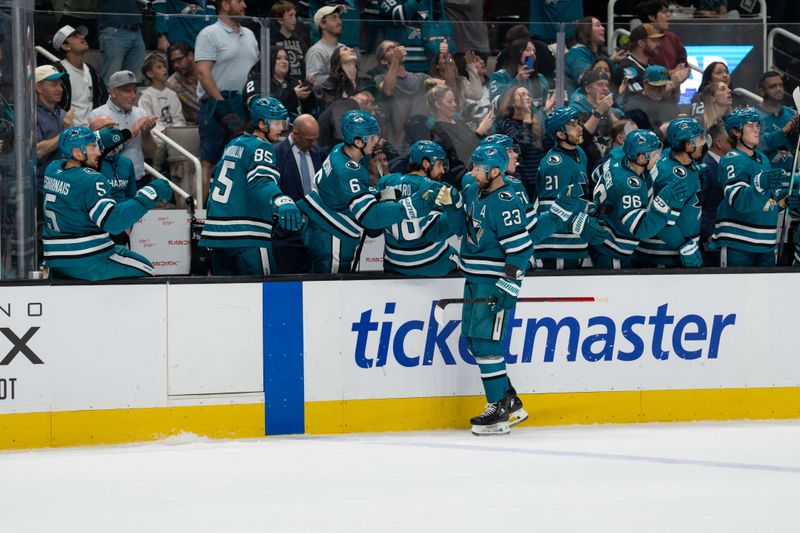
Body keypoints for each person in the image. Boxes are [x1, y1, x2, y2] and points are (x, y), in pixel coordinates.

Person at [296, 110, 440, 273]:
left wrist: (378, 196)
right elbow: (370, 216)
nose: (377, 141)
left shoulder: (340, 149)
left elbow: (345, 193)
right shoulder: (349, 171)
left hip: (319, 228)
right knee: (332, 291)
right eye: (372, 137)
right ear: (358, 142)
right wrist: (409, 206)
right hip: (331, 236)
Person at [456, 144, 531, 435]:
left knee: (487, 344)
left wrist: (510, 284)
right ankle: (510, 400)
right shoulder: (474, 189)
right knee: (474, 341)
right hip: (473, 281)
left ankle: (498, 408)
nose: (472, 173)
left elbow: (520, 250)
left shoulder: (506, 201)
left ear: (495, 172)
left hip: (492, 283)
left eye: (478, 169)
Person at [41, 126, 172, 280]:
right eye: (93, 147)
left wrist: (99, 138)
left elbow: (81, 165)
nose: (98, 152)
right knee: (146, 268)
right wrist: (150, 192)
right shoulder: (91, 179)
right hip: (87, 259)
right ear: (77, 153)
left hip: (56, 260)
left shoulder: (53, 168)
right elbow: (114, 223)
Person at [198, 97, 303, 276]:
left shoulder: (233, 143)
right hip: (247, 235)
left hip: (217, 235)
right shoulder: (262, 147)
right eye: (277, 123)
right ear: (262, 124)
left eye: (283, 122)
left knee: (226, 299)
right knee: (263, 295)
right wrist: (281, 199)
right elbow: (260, 182)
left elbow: (215, 178)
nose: (281, 128)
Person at [590, 129, 687, 269]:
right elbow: (642, 229)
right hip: (613, 248)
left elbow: (595, 174)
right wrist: (663, 202)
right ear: (641, 158)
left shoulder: (618, 155)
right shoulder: (631, 186)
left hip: (604, 231)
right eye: (654, 155)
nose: (658, 157)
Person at [195, 0, 259, 200]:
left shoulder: (249, 34)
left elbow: (256, 72)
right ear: (224, 4)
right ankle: (199, 212)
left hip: (243, 103)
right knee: (209, 159)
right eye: (238, 1)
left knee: (243, 159)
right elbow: (202, 72)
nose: (245, 5)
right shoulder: (209, 33)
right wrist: (221, 103)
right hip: (215, 105)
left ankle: (237, 207)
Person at [709, 108, 785, 267]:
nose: (757, 129)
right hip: (738, 241)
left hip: (767, 241)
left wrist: (783, 199)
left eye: (757, 125)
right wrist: (759, 184)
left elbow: (769, 198)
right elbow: (739, 202)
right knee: (735, 291)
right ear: (736, 131)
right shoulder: (731, 159)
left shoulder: (763, 158)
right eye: (751, 126)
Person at [376, 140, 461, 276]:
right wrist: (457, 211)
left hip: (393, 265)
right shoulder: (432, 187)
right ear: (426, 163)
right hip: (432, 265)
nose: (442, 170)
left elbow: (372, 228)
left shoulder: (385, 182)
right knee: (459, 258)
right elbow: (436, 233)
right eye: (439, 164)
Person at [635, 118, 706, 268]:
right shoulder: (675, 176)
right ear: (687, 145)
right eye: (699, 138)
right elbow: (664, 223)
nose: (703, 142)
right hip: (665, 254)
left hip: (663, 251)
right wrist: (684, 246)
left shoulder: (669, 155)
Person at [534, 107, 592, 270]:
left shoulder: (579, 153)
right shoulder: (555, 164)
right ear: (560, 134)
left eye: (579, 123)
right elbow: (552, 211)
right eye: (573, 125)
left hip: (575, 241)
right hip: (557, 245)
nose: (580, 128)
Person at [272, 114, 324, 273]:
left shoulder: (319, 154)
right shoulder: (275, 153)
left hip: (314, 235)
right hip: (285, 236)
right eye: (309, 139)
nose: (313, 143)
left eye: (316, 138)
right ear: (295, 134)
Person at [88, 70, 158, 185]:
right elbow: (103, 153)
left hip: (138, 179)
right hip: (111, 181)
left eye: (134, 91)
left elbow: (151, 153)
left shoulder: (140, 113)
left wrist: (146, 133)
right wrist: (132, 132)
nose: (133, 96)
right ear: (113, 92)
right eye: (127, 91)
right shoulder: (98, 116)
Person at [374, 40, 437, 156]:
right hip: (397, 148)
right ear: (383, 60)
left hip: (423, 144)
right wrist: (395, 61)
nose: (396, 49)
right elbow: (387, 90)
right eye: (390, 49)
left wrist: (447, 64)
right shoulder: (380, 79)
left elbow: (447, 86)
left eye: (397, 46)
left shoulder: (421, 77)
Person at [429, 84, 494, 185]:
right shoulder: (437, 129)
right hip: (460, 179)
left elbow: (475, 144)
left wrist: (485, 131)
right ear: (438, 104)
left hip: (477, 171)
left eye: (454, 100)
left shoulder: (459, 122)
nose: (454, 104)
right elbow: (459, 153)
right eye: (450, 101)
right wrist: (479, 131)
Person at [88, 116, 137, 246]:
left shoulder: (127, 163)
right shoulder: (89, 164)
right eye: (109, 127)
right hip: (95, 228)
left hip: (121, 225)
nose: (115, 129)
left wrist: (128, 221)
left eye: (115, 125)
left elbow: (131, 195)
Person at [495, 85, 547, 200]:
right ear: (512, 102)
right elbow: (520, 147)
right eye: (522, 95)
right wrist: (527, 117)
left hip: (538, 180)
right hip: (520, 182)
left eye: (528, 95)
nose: (528, 97)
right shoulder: (505, 123)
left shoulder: (536, 123)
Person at [52, 24, 107, 126]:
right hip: (70, 131)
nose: (82, 37)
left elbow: (102, 98)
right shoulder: (57, 71)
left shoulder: (92, 71)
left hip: (93, 130)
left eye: (81, 35)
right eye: (75, 36)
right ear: (65, 46)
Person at [139, 54, 187, 170]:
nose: (164, 69)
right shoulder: (146, 96)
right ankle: (155, 169)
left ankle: (179, 170)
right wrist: (164, 132)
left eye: (164, 67)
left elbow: (178, 118)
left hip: (173, 133)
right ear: (150, 74)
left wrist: (173, 131)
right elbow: (147, 120)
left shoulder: (172, 94)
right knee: (160, 143)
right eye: (159, 67)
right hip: (157, 134)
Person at [489, 38, 551, 113]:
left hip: (535, 123)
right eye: (527, 50)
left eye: (534, 51)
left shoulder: (540, 79)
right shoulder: (499, 76)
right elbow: (496, 105)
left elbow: (542, 109)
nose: (532, 53)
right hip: (508, 123)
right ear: (516, 53)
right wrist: (517, 80)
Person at [36, 65, 73, 187]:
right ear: (39, 87)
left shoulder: (62, 113)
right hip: (41, 185)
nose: (60, 89)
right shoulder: (29, 115)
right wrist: (66, 131)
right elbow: (37, 151)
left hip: (63, 181)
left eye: (60, 84)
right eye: (54, 85)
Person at [699, 122, 730, 266]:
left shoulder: (722, 164)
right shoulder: (707, 167)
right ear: (719, 143)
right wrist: (708, 234)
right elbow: (701, 205)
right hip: (711, 238)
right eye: (730, 138)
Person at [756, 71, 800, 173]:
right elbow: (757, 145)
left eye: (781, 85)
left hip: (793, 177)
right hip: (766, 177)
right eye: (773, 86)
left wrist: (796, 131)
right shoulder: (752, 116)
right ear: (762, 91)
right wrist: (784, 131)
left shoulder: (793, 114)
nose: (779, 89)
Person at [565, 16, 622, 91]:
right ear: (586, 30)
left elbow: (619, 75)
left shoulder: (601, 54)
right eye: (597, 25)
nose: (603, 28)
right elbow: (586, 77)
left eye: (601, 25)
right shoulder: (576, 52)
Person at [97, 0, 146, 85]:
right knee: (111, 78)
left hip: (136, 30)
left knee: (134, 80)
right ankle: (107, 98)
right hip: (114, 28)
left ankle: (132, 98)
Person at [623, 65, 679, 136]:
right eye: (656, 86)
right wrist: (661, 131)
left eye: (664, 85)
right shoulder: (634, 106)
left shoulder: (669, 102)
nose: (661, 90)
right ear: (645, 83)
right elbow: (635, 138)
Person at [613, 23, 663, 101]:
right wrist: (672, 85)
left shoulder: (650, 66)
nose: (658, 44)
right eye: (653, 40)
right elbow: (639, 98)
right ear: (641, 43)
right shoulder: (627, 67)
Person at [269, 46, 317, 120]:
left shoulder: (294, 82)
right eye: (278, 58)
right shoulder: (262, 82)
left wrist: (308, 91)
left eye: (286, 59)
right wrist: (294, 95)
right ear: (269, 60)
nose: (284, 61)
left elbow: (310, 109)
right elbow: (270, 106)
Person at [305, 5, 345, 88]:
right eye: (334, 18)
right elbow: (314, 81)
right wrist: (343, 78)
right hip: (329, 100)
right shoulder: (316, 51)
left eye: (339, 17)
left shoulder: (344, 48)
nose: (340, 22)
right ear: (323, 24)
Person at [270, 1, 308, 80]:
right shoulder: (273, 41)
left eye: (295, 15)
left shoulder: (300, 40)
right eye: (290, 15)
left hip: (300, 82)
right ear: (280, 20)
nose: (294, 19)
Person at [166, 42, 201, 124]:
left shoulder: (208, 72)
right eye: (173, 62)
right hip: (195, 125)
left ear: (191, 55)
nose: (176, 65)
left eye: (179, 60)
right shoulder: (172, 84)